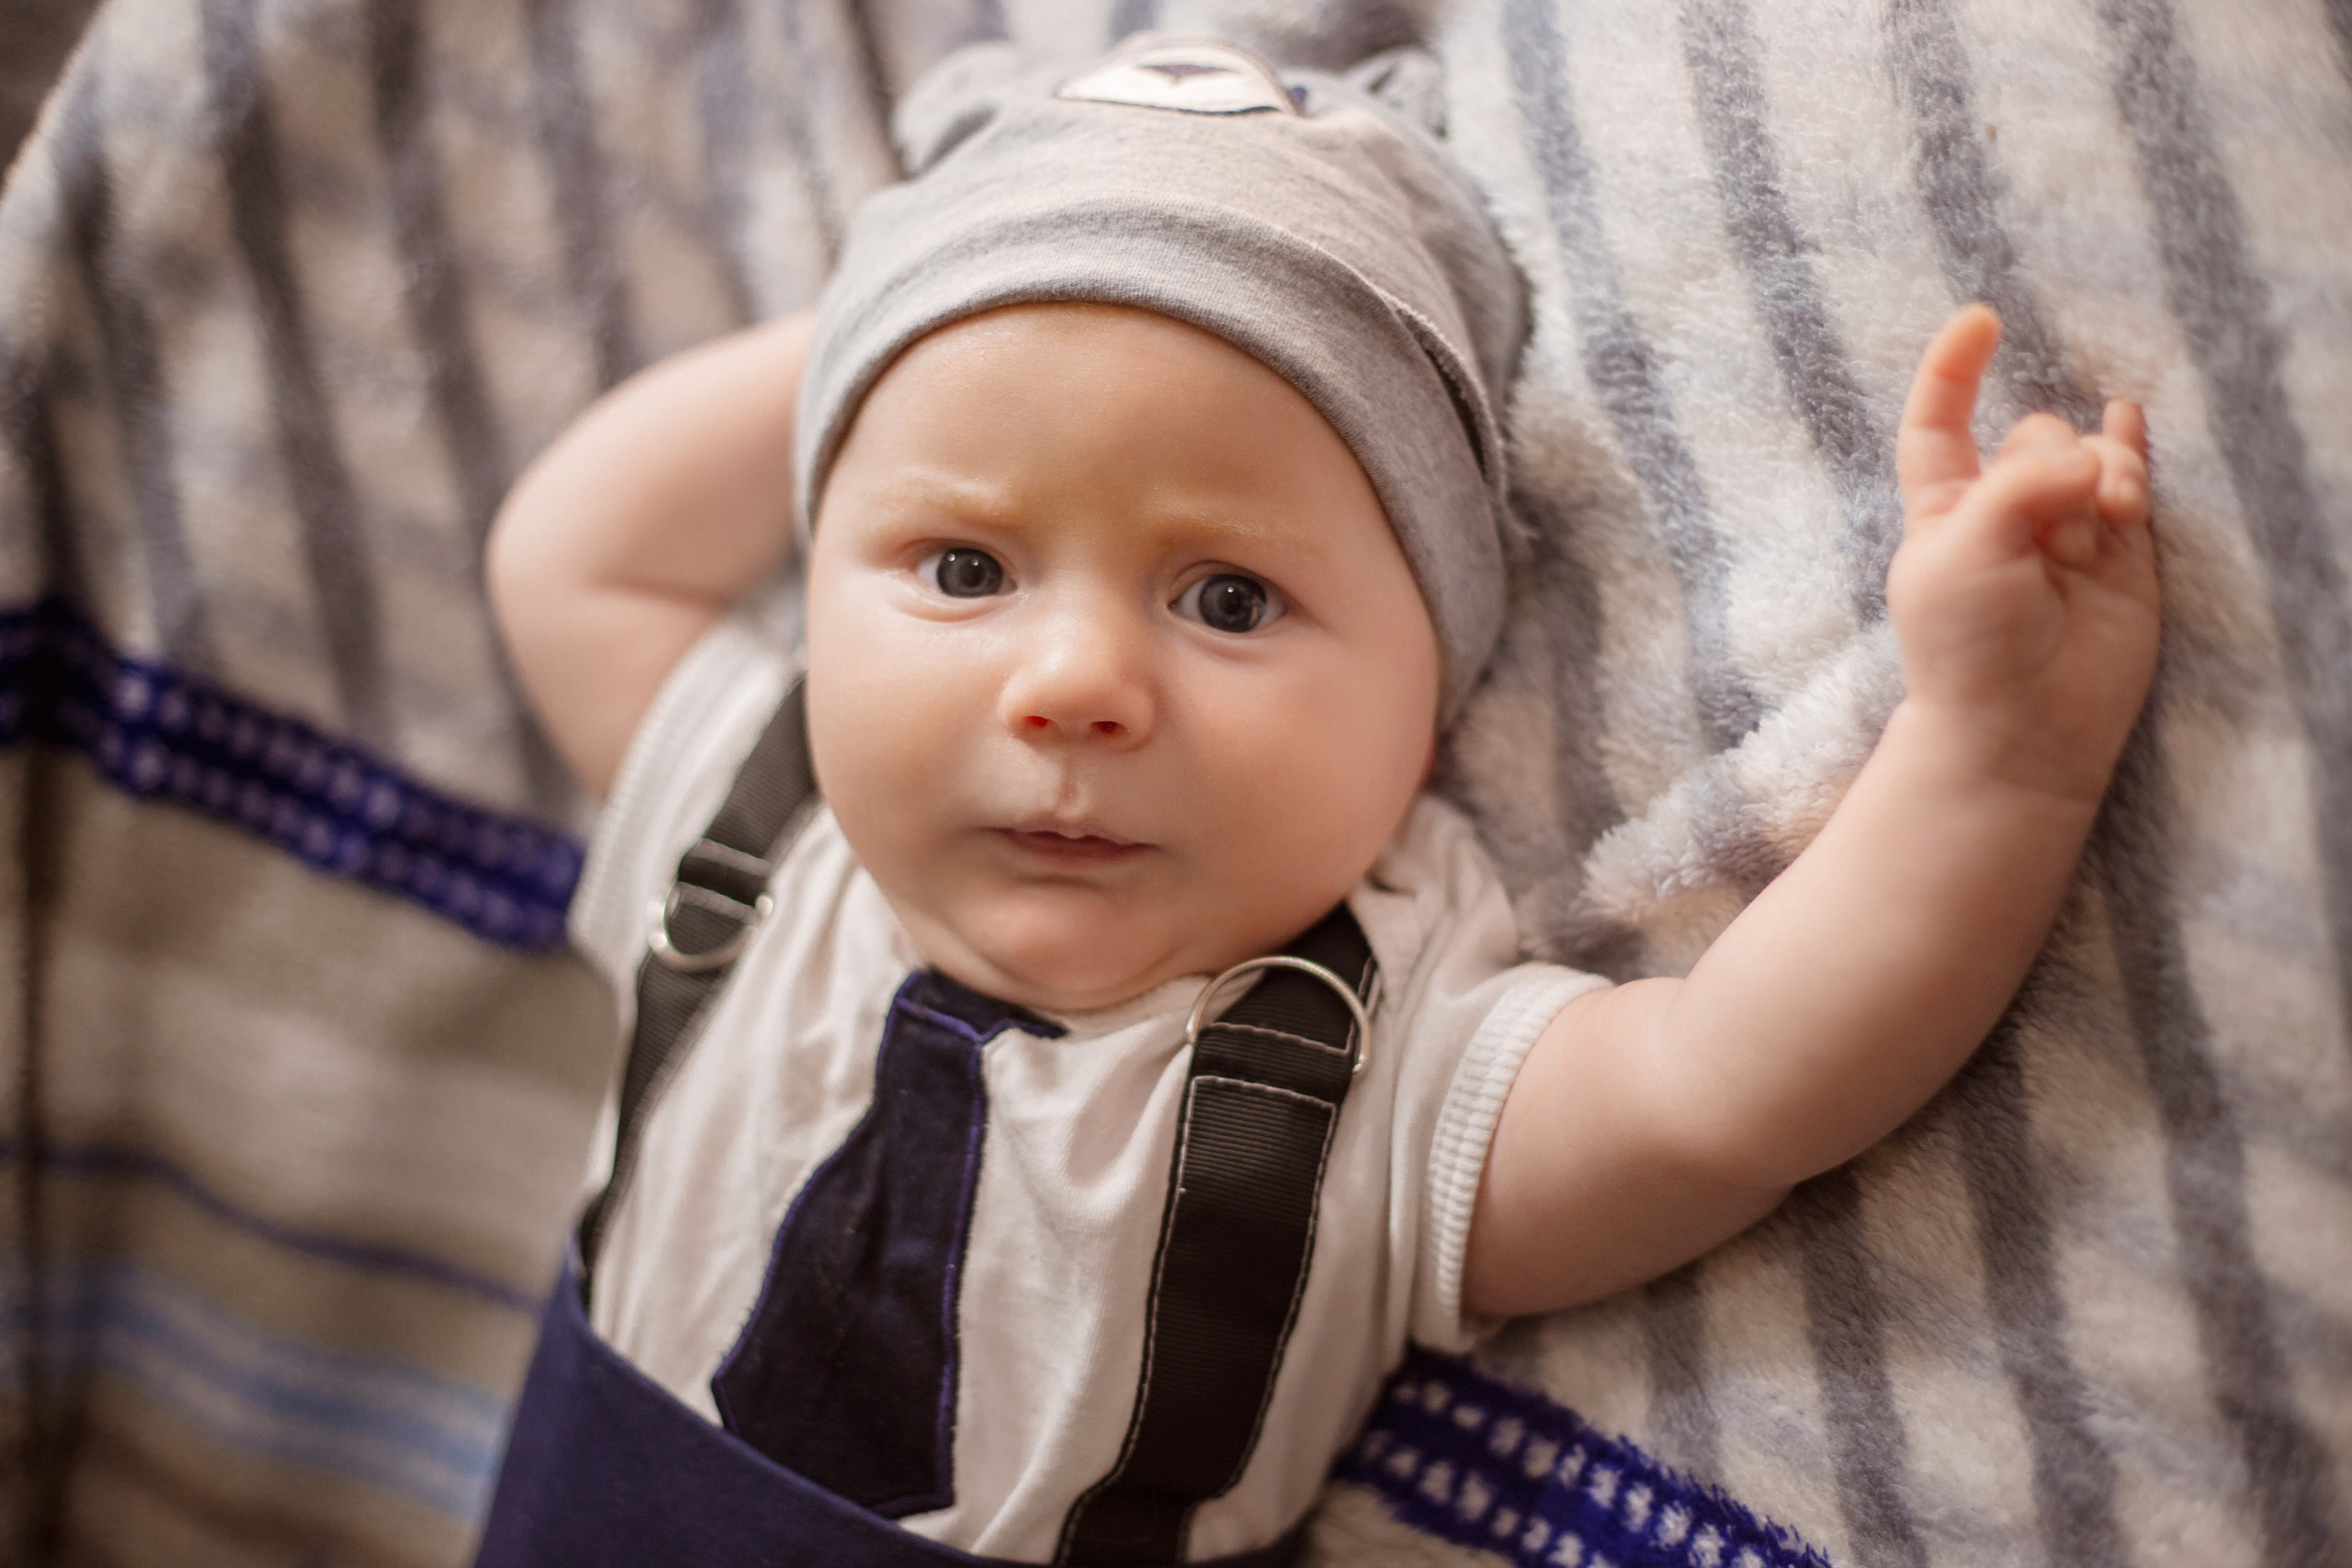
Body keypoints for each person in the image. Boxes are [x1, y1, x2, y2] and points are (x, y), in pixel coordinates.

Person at [472, 34, 2159, 1568]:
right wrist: (914, 284)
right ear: (822, 586)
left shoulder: (1374, 1070)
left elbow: (1726, 1094)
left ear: (1427, 694)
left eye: (1225, 600)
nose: (1072, 683)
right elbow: (569, 561)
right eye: (965, 563)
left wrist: (1997, 751)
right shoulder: (757, 827)